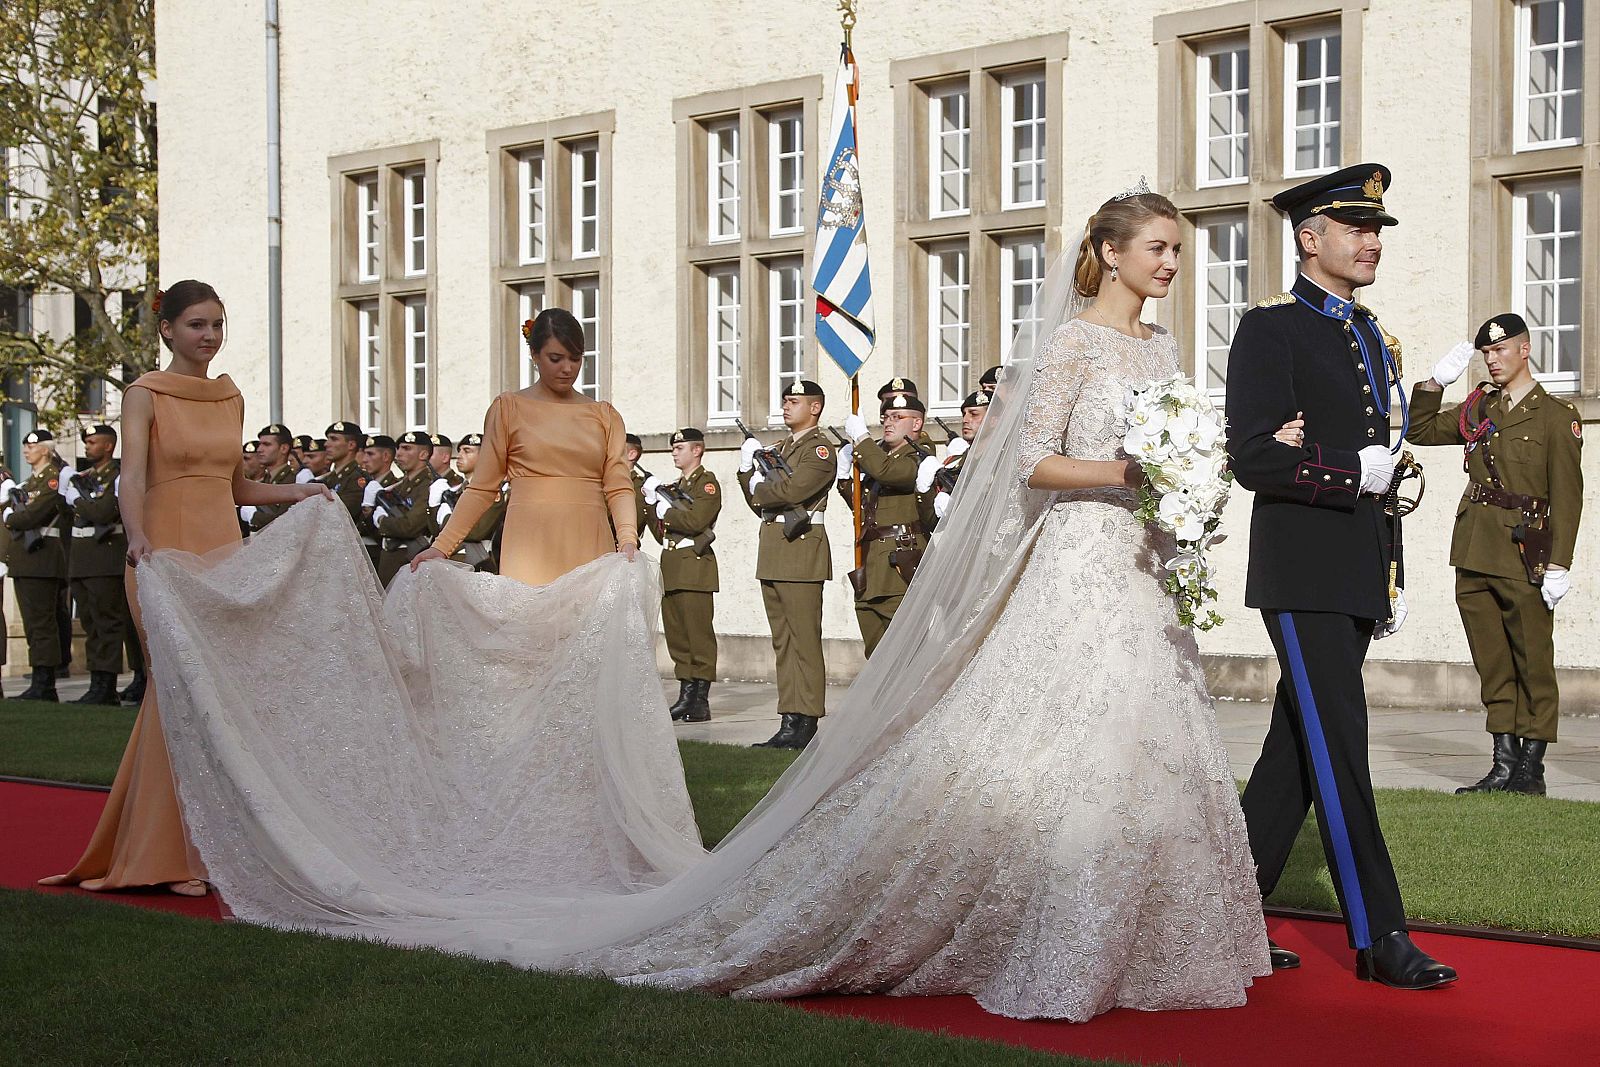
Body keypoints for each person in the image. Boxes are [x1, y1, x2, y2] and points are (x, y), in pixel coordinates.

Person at [1227, 164, 1457, 990]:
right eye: (1355, 228)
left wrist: (1385, 564)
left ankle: (1224, 916)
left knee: (1297, 748)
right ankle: (1380, 931)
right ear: (1308, 237)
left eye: (1377, 230)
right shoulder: (1271, 330)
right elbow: (1254, 457)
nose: (1371, 241)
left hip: (1356, 565)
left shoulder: (1371, 336)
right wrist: (1338, 470)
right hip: (1301, 568)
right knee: (1342, 747)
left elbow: (1385, 457)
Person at [39, 279, 328, 896]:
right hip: (162, 555)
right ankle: (170, 855)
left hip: (223, 555)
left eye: (218, 325)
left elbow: (235, 488)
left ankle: (179, 849)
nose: (209, 336)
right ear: (167, 328)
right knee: (178, 695)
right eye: (197, 324)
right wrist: (139, 539)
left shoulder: (231, 397)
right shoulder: (144, 394)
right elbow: (132, 478)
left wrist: (298, 492)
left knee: (207, 702)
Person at [1407, 313, 1583, 796]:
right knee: (1492, 661)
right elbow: (1417, 431)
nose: (1492, 358)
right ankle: (1503, 764)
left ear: (1525, 350)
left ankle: (1532, 767)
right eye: (1486, 352)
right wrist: (1433, 383)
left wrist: (1561, 563)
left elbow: (1568, 496)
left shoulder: (1555, 416)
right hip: (1474, 548)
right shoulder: (1481, 407)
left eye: (1501, 350)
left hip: (1525, 552)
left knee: (1532, 661)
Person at [413, 309, 639, 584]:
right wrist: (442, 546)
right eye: (555, 358)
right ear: (534, 355)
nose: (567, 368)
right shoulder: (508, 409)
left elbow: (618, 485)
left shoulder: (604, 416)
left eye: (575, 358)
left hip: (590, 540)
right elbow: (483, 488)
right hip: (528, 545)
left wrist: (628, 539)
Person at [738, 379, 835, 750]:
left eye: (795, 401)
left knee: (804, 639)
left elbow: (794, 492)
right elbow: (759, 504)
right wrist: (746, 471)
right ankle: (788, 718)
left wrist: (758, 487)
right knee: (783, 641)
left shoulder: (820, 449)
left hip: (801, 550)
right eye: (785, 400)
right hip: (775, 549)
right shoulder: (779, 449)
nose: (786, 405)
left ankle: (807, 719)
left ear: (815, 408)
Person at [839, 393, 937, 657]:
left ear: (916, 424)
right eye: (885, 418)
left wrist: (861, 438)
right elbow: (862, 507)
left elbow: (888, 473)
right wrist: (844, 477)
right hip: (871, 568)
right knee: (876, 654)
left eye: (897, 417)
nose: (888, 423)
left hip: (899, 566)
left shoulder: (918, 456)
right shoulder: (881, 457)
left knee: (903, 654)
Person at [642, 428, 721, 722]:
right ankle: (686, 694)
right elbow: (659, 532)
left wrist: (667, 511)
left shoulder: (706, 484)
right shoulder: (676, 486)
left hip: (694, 566)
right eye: (673, 448)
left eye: (680, 447)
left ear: (697, 450)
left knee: (698, 636)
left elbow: (696, 520)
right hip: (673, 564)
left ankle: (700, 699)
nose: (674, 452)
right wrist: (652, 505)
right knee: (677, 636)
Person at [64, 424, 138, 706]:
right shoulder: (87, 477)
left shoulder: (118, 477)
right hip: (83, 558)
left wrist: (78, 502)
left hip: (105, 559)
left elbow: (104, 511)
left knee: (107, 623)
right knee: (91, 623)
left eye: (93, 442)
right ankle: (96, 682)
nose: (87, 446)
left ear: (109, 446)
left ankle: (106, 685)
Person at [4, 429, 71, 700]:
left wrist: (9, 516)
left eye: (31, 447)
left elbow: (31, 516)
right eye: (25, 447)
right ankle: (40, 679)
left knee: (42, 623)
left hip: (41, 558)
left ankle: (46, 683)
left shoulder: (51, 479)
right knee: (33, 623)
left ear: (45, 449)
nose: (26, 451)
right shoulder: (31, 481)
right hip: (26, 559)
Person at [373, 430, 438, 587]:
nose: (398, 455)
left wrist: (381, 521)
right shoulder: (398, 486)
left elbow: (409, 526)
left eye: (406, 448)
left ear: (423, 454)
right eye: (399, 448)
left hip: (410, 559)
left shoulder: (428, 486)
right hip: (390, 559)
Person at [432, 432, 504, 571]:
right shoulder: (456, 490)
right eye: (459, 451)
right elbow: (435, 532)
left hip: (478, 564)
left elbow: (477, 532)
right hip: (452, 562)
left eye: (467, 451)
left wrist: (447, 517)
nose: (459, 456)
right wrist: (433, 506)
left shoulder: (492, 492)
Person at [928, 390, 989, 528]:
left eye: (974, 414)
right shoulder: (955, 462)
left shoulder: (1004, 458)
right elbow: (931, 521)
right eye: (964, 414)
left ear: (993, 419)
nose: (965, 420)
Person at [242, 424, 299, 531]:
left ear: (284, 448)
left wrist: (254, 516)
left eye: (266, 444)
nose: (259, 449)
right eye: (259, 444)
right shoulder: (264, 481)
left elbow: (284, 521)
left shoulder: (292, 481)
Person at [356, 434, 398, 568]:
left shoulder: (395, 487)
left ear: (385, 456)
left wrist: (369, 512)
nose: (364, 460)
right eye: (364, 454)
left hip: (380, 555)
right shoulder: (364, 484)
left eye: (370, 454)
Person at [320, 421, 370, 526]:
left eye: (334, 439)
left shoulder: (357, 478)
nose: (326, 444)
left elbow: (340, 512)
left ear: (351, 445)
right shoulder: (328, 478)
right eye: (328, 439)